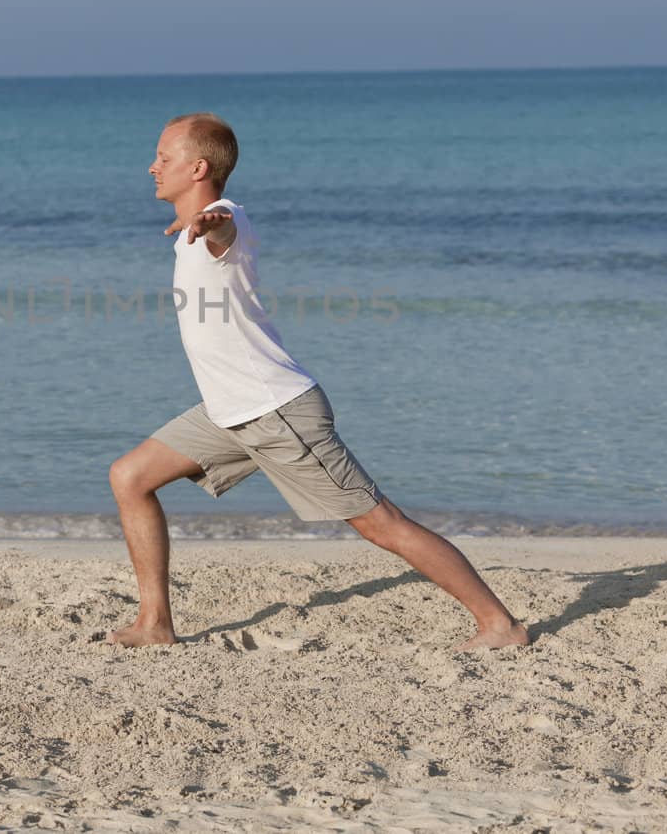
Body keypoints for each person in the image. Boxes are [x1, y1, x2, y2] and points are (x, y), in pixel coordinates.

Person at [106, 112, 529, 651]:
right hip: (228, 410)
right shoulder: (188, 236)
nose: (152, 167)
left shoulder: (223, 221)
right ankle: (155, 624)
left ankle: (501, 625)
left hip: (275, 411)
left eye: (163, 159)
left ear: (199, 167)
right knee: (130, 477)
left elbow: (226, 231)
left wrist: (213, 224)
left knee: (382, 524)